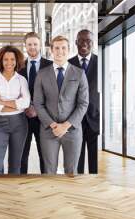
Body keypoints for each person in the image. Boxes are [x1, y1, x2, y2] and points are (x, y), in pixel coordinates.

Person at [33, 36, 89, 175]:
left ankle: (70, 196)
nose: (60, 51)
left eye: (63, 48)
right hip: (48, 131)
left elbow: (83, 103)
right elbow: (38, 104)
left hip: (72, 131)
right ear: (51, 50)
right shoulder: (42, 74)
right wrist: (53, 125)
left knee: (71, 172)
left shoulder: (79, 73)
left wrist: (65, 126)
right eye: (56, 48)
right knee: (49, 171)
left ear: (69, 50)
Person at [0, 46, 30, 174]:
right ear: (1, 60)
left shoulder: (21, 80)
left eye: (12, 59)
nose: (9, 62)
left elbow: (26, 103)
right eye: (6, 59)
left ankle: (12, 192)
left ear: (17, 61)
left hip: (19, 124)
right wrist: (15, 105)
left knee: (15, 165)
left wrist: (1, 101)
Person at [18, 32, 53, 174]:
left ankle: (46, 186)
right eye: (29, 44)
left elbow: (53, 93)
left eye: (35, 44)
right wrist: (25, 107)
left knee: (45, 156)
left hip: (44, 119)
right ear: (25, 46)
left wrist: (38, 110)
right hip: (23, 118)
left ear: (40, 45)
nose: (32, 47)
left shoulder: (50, 66)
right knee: (21, 156)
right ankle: (21, 187)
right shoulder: (19, 66)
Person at [69, 30, 99, 174]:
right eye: (81, 40)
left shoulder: (101, 62)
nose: (84, 44)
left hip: (95, 118)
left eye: (88, 41)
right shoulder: (69, 65)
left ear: (93, 43)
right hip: (75, 120)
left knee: (95, 162)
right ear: (76, 42)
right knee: (76, 160)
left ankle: (95, 189)